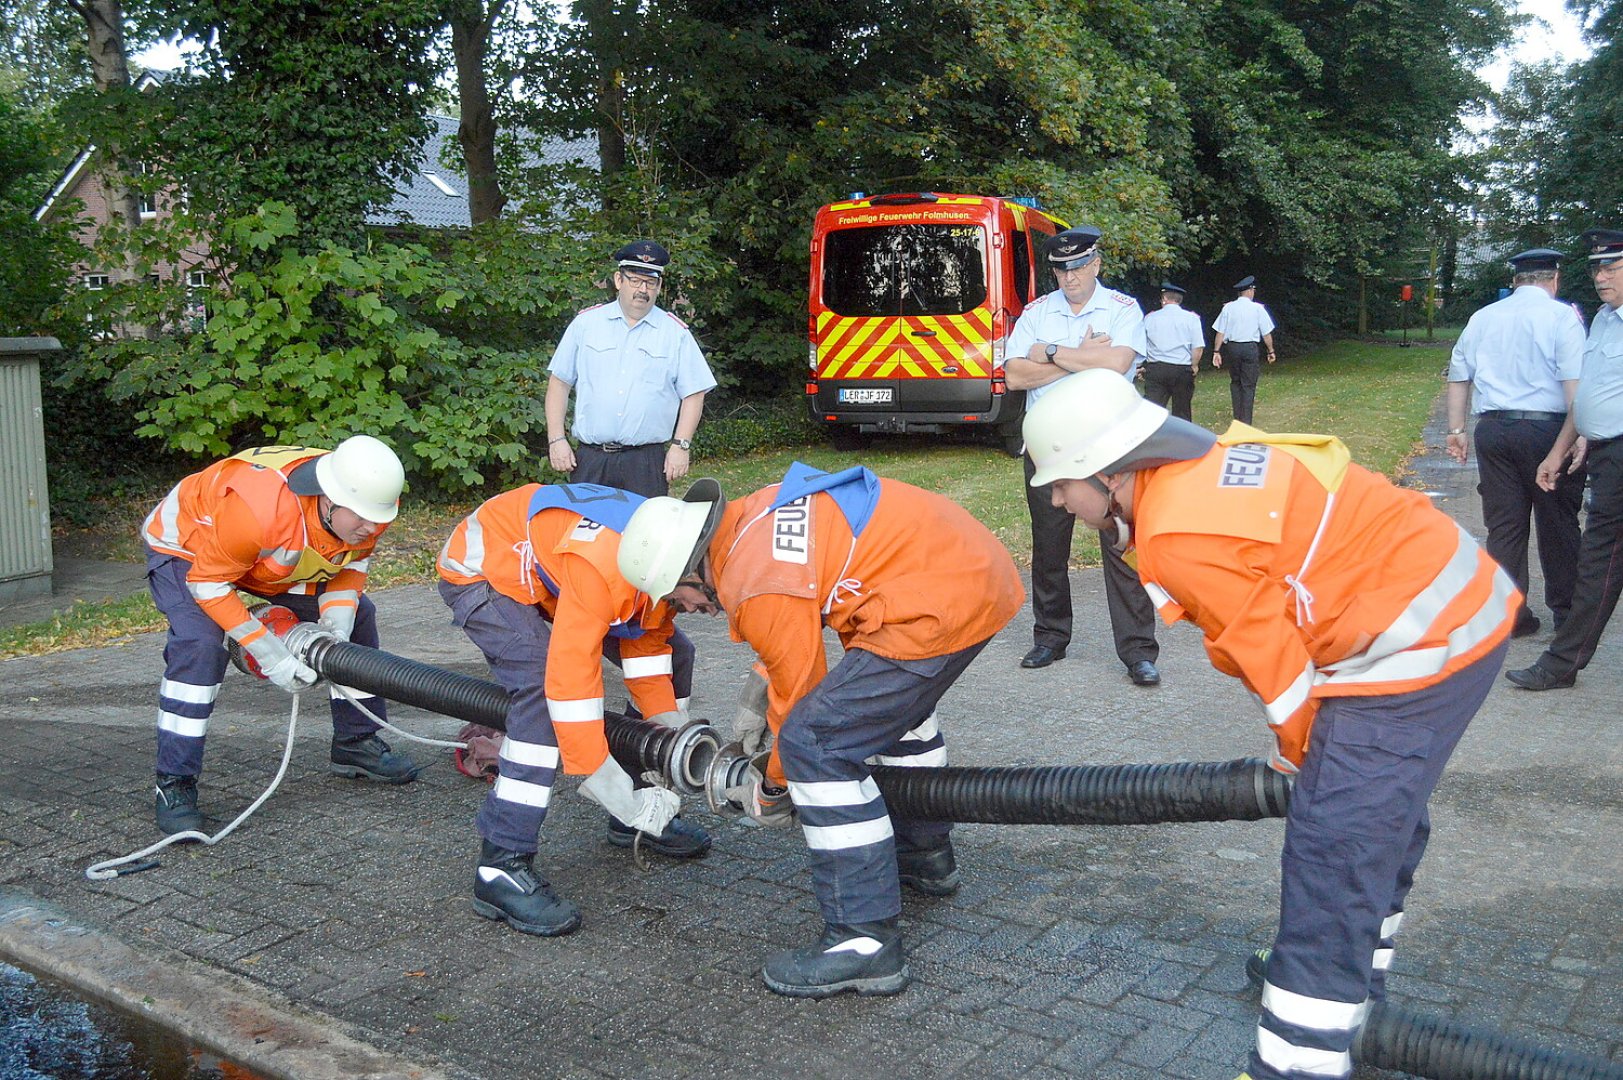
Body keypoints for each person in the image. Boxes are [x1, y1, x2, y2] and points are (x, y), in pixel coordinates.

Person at [1023, 370, 1517, 1080]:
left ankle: (1299, 1054)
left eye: (1063, 481)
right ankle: (1349, 986)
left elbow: (1281, 676)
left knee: (1331, 844)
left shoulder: (1176, 535)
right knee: (1371, 813)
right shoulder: (1202, 467)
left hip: (1414, 643)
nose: (1057, 498)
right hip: (1453, 603)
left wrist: (1300, 762)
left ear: (1109, 472)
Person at [616, 464, 1024, 998]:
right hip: (967, 572)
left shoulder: (753, 578)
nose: (691, 611)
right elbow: (797, 617)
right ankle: (924, 857)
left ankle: (863, 940)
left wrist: (774, 784)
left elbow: (801, 689)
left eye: (677, 600)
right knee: (887, 713)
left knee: (817, 743)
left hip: (931, 603)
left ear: (692, 572)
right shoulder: (751, 518)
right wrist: (756, 707)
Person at [437, 481, 708, 936]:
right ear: (680, 573)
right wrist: (601, 775)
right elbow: (570, 683)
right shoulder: (605, 566)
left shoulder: (658, 553)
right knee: (541, 689)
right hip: (484, 570)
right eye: (708, 597)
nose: (712, 609)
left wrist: (671, 736)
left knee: (678, 653)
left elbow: (646, 651)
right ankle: (500, 863)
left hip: (553, 572)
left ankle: (635, 817)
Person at [142, 437, 419, 835]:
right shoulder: (261, 513)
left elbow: (347, 568)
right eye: (362, 518)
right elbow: (208, 585)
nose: (373, 527)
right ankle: (174, 783)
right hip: (189, 547)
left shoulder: (368, 504)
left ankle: (356, 743)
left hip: (257, 557)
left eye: (379, 518)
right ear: (328, 499)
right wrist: (271, 655)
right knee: (200, 645)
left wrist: (336, 627)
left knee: (361, 615)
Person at [1003, 227, 1162, 686]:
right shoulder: (1035, 312)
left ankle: (1137, 650)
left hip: (1108, 441)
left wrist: (1049, 353)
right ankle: (1050, 636)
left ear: (1095, 265)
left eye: (1077, 267)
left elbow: (1117, 365)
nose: (1069, 277)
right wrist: (1081, 355)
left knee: (1120, 538)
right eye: (1060, 269)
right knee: (1049, 543)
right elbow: (1014, 375)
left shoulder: (1123, 309)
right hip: (1049, 442)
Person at [1445, 247, 1587, 638]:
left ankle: (1510, 615)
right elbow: (1574, 384)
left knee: (1504, 525)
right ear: (1554, 279)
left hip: (1493, 429)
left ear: (1515, 280)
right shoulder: (1562, 317)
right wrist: (1579, 437)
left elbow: (1459, 373)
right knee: (1557, 521)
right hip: (1548, 429)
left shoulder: (1483, 317)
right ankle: (1567, 614)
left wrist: (1456, 430)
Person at [1507, 228, 1623, 690]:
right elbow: (1587, 394)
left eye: (1611, 266)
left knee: (1599, 557)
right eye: (1596, 266)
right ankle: (1561, 663)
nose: (1600, 275)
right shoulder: (1603, 320)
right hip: (1608, 455)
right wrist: (1557, 451)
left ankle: (1560, 663)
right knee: (1599, 560)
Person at [544, 240, 717, 498]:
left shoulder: (675, 334)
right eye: (635, 280)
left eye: (650, 283)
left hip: (645, 463)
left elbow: (694, 393)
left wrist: (681, 445)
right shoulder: (586, 325)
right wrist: (556, 440)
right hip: (591, 460)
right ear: (618, 280)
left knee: (645, 536)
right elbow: (559, 383)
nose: (642, 290)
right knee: (584, 534)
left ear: (659, 287)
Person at [1212, 275, 1277, 424]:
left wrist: (1216, 351)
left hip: (1233, 347)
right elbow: (1266, 332)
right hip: (1249, 347)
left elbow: (1220, 332)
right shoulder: (1257, 308)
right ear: (1249, 291)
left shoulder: (1228, 307)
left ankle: (1237, 418)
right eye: (1253, 290)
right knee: (1248, 384)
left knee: (1235, 382)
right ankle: (1246, 420)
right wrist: (1270, 350)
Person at [1140, 281, 1205, 421]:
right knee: (1182, 410)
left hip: (1157, 368)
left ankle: (1150, 440)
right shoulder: (1192, 319)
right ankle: (1182, 440)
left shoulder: (1150, 318)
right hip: (1181, 369)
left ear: (1164, 299)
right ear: (1179, 300)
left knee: (1152, 410)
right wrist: (1194, 365)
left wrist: (1140, 365)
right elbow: (1198, 347)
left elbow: (1141, 343)